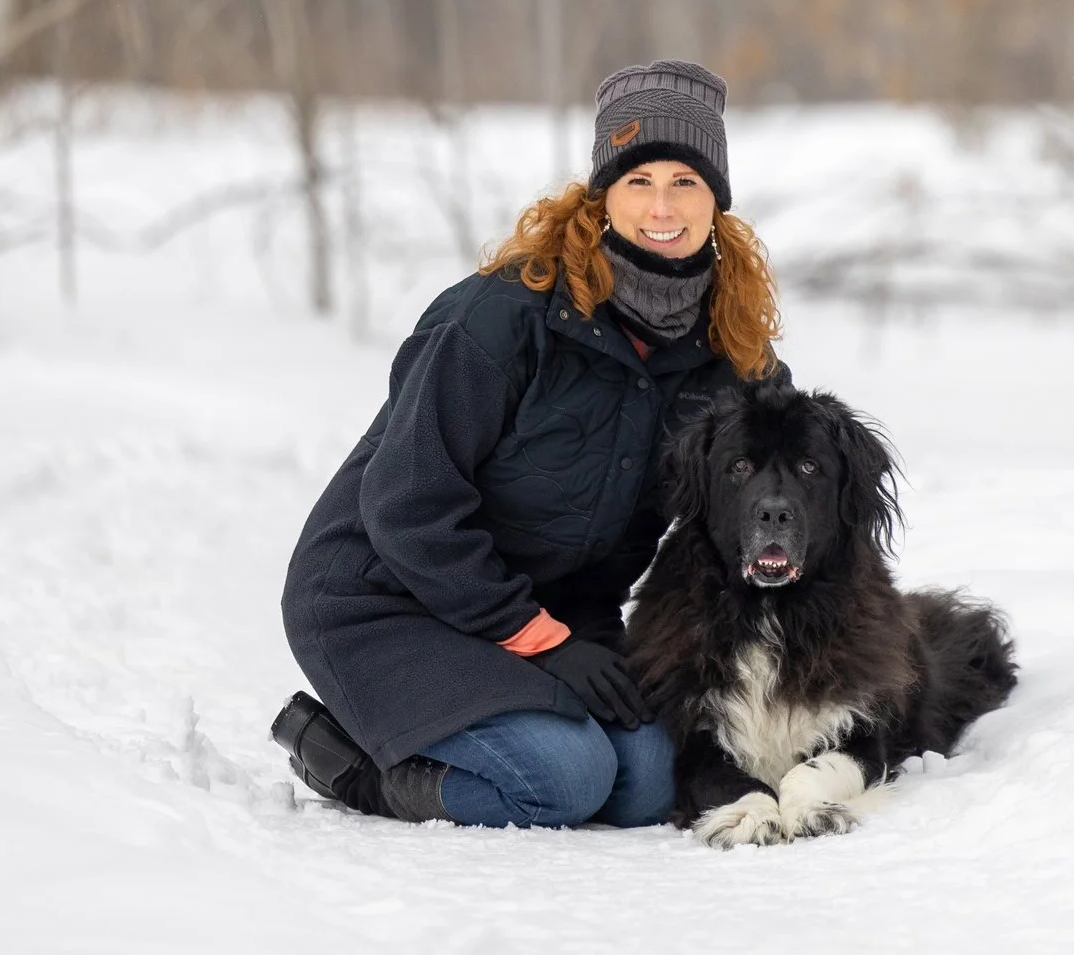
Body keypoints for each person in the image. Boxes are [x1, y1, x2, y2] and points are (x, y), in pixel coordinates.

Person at [270, 60, 785, 828]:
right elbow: (408, 506)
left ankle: (492, 722)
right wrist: (537, 638)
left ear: (718, 201)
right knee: (565, 778)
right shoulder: (499, 318)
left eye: (686, 181)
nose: (663, 206)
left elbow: (784, 479)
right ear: (601, 194)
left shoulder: (731, 354)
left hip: (555, 612)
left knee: (649, 783)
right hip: (385, 596)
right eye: (639, 180)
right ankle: (352, 761)